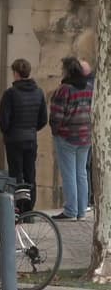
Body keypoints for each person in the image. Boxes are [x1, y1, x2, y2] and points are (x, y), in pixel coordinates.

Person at [0, 58, 47, 209]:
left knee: (16, 175)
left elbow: (4, 121)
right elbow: (43, 119)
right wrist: (31, 129)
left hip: (14, 140)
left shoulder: (10, 94)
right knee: (30, 174)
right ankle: (29, 209)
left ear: (16, 73)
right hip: (30, 139)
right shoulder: (39, 93)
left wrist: (8, 132)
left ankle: (19, 206)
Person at [49, 56, 93, 221]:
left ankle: (70, 210)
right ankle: (81, 210)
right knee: (81, 173)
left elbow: (57, 114)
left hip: (67, 136)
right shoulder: (89, 87)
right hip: (86, 136)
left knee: (69, 174)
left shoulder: (65, 89)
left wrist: (55, 130)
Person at [80, 59, 95, 210]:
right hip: (89, 131)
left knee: (83, 168)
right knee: (86, 167)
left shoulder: (86, 87)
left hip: (83, 132)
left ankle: (86, 200)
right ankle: (89, 199)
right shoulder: (93, 84)